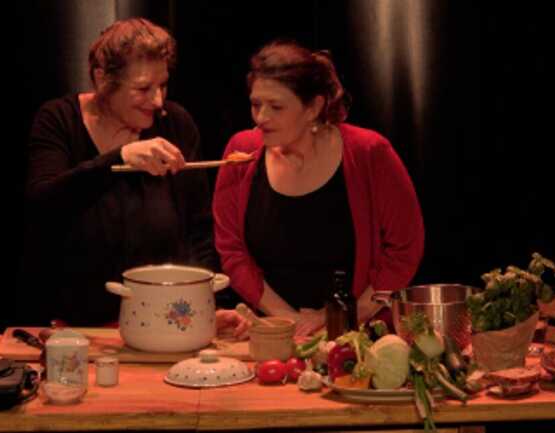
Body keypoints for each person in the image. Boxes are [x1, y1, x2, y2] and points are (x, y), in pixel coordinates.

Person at [213, 41, 425, 336]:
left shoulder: (369, 152)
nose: (261, 118)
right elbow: (232, 250)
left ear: (313, 107)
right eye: (255, 104)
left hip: (360, 334)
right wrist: (288, 321)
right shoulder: (241, 152)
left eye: (275, 107)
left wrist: (342, 318)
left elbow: (404, 248)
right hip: (273, 334)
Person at [23, 18, 220, 327]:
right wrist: (119, 158)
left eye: (163, 85)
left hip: (164, 319)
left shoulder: (177, 123)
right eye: (143, 88)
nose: (157, 101)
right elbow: (43, 202)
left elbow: (199, 228)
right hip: (74, 322)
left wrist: (205, 302)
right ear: (102, 80)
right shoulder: (58, 119)